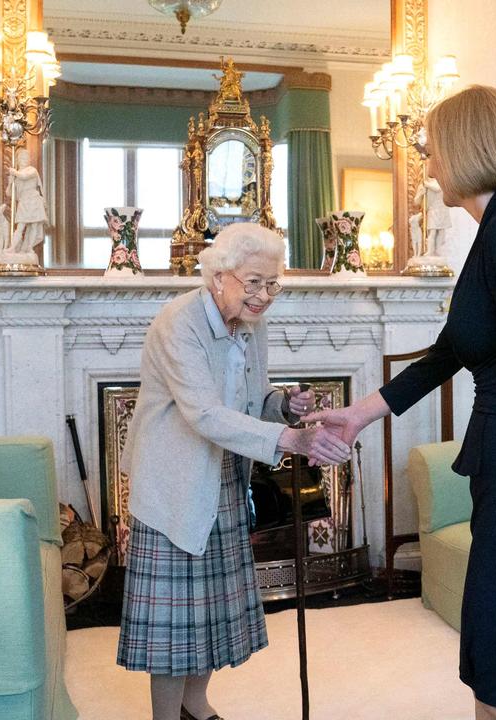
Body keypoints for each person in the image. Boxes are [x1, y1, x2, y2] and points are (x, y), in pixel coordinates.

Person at [305, 85, 496, 720]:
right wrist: (361, 412)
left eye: (434, 148)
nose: (429, 162)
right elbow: (452, 350)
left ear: (469, 147)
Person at [116, 223, 351, 720]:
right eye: (254, 282)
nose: (264, 296)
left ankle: (195, 706)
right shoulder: (179, 323)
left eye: (273, 284)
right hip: (174, 481)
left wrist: (285, 406)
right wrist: (292, 440)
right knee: (175, 626)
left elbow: (248, 402)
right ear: (219, 276)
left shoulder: (250, 324)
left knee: (209, 612)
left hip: (224, 477)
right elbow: (202, 413)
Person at [6, 147, 49, 255]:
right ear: (18, 160)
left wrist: (14, 172)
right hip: (23, 201)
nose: (24, 159)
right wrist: (10, 183)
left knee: (34, 225)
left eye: (26, 157)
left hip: (34, 200)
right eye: (22, 157)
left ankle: (29, 248)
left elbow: (24, 176)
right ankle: (12, 248)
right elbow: (9, 193)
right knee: (20, 226)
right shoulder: (16, 174)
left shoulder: (32, 170)